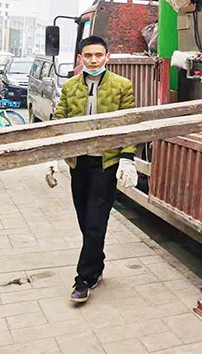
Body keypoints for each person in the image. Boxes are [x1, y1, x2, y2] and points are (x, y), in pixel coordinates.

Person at [52, 35, 138, 303]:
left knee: (95, 222)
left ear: (107, 57)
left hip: (105, 164)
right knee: (84, 219)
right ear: (80, 58)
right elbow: (59, 121)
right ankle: (96, 265)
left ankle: (84, 279)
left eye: (98, 55)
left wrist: (127, 158)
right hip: (78, 163)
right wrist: (52, 156)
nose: (93, 60)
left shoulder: (122, 86)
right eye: (88, 56)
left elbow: (128, 125)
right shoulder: (70, 87)